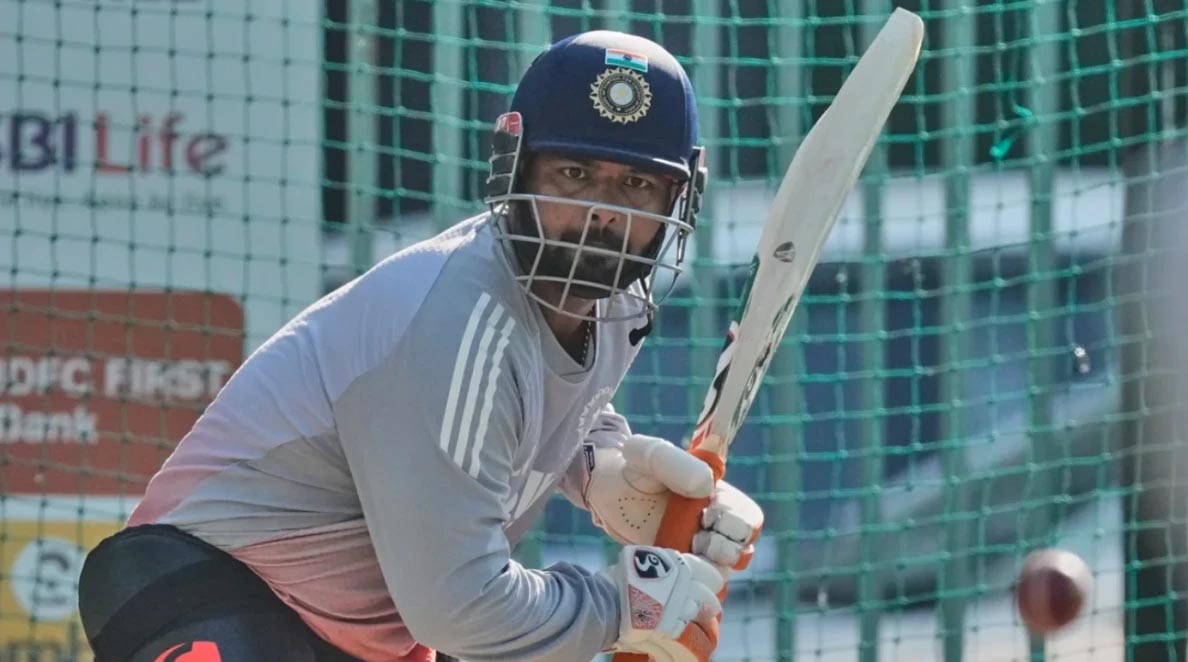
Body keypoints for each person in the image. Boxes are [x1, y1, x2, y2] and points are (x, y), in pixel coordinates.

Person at [77, 30, 765, 662]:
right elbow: (461, 609)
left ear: (678, 201)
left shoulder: (612, 306)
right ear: (516, 171)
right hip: (208, 587)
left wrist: (604, 469)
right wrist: (619, 606)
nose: (602, 213)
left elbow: (534, 407)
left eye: (637, 184)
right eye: (574, 174)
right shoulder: (462, 322)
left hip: (365, 637)